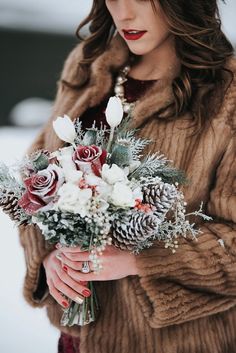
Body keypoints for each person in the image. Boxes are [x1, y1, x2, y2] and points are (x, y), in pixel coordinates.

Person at [18, 0, 236, 352]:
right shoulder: (89, 65)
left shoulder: (228, 94)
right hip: (77, 341)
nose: (124, 13)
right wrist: (48, 254)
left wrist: (138, 261)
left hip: (179, 344)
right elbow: (33, 182)